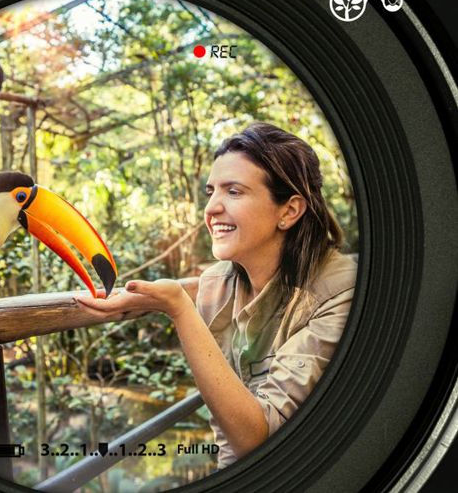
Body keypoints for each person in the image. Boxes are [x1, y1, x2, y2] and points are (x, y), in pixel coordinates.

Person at [75, 122, 357, 469]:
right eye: (211, 192)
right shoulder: (217, 284)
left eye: (234, 192)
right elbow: (228, 441)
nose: (211, 209)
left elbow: (259, 439)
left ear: (289, 211)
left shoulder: (343, 293)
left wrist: (178, 306)